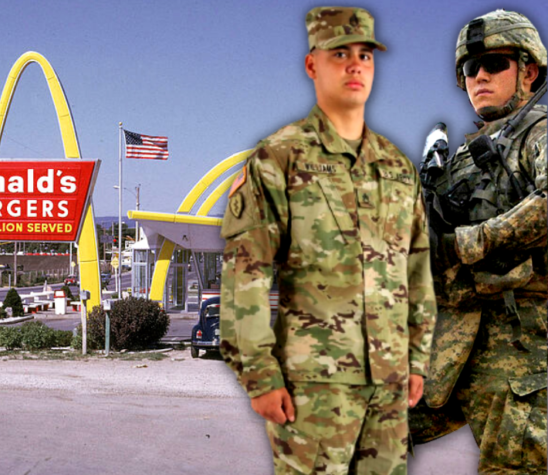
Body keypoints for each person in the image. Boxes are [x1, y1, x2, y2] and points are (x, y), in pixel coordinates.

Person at [219, 6, 436, 474]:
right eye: (340, 53)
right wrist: (258, 375)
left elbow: (417, 271)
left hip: (390, 387)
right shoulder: (280, 158)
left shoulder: (398, 168)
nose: (356, 65)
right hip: (313, 390)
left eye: (365, 55)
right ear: (312, 65)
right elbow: (247, 275)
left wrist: (417, 360)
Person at [410, 9, 547, 475]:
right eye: (471, 69)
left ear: (528, 70)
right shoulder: (461, 159)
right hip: (450, 340)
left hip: (521, 346)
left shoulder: (540, 133)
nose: (480, 76)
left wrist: (467, 243)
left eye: (494, 64)